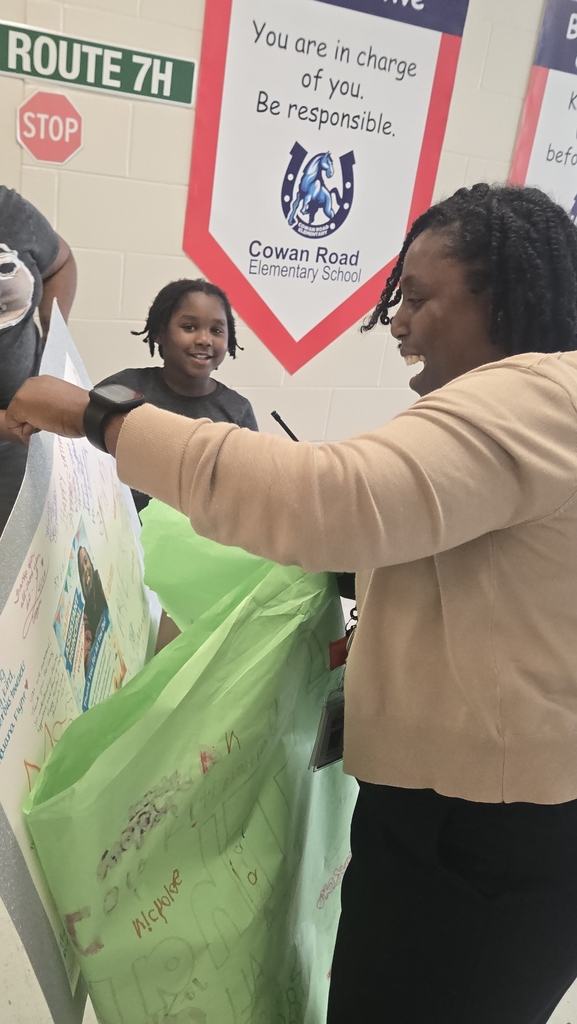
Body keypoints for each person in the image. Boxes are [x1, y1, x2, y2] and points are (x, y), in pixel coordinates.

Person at [8, 182, 577, 1024]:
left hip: (485, 841)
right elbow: (459, 561)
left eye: (418, 299)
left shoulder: (538, 394)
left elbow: (335, 503)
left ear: (505, 292)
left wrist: (100, 419)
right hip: (457, 818)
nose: (397, 322)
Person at [97, 278, 258, 512]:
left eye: (216, 330)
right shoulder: (122, 389)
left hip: (198, 542)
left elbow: (248, 491)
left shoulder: (237, 410)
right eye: (189, 327)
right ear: (160, 333)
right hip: (119, 532)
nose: (204, 339)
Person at [0, 186, 76, 535]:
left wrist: (54, 341)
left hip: (20, 444)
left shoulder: (9, 209)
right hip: (18, 428)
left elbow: (61, 263)